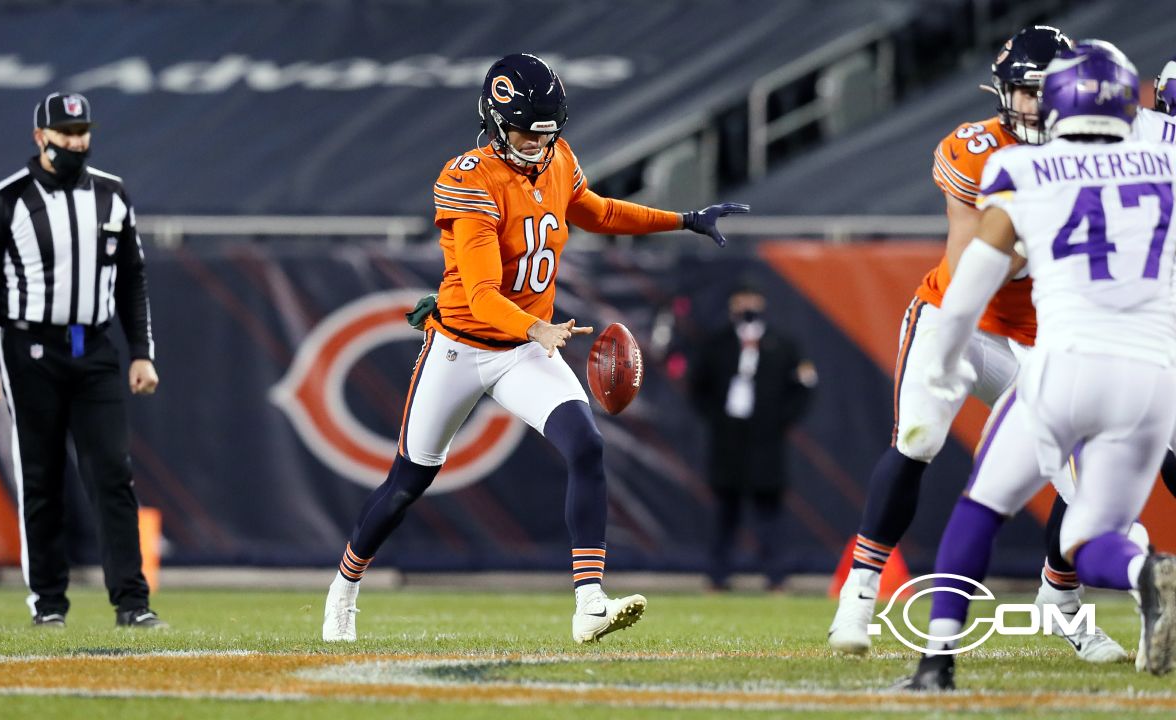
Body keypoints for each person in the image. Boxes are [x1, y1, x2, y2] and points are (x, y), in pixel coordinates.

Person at [320, 53, 749, 644]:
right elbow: (479, 292)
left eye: (549, 133)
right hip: (462, 346)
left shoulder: (557, 159)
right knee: (406, 483)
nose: (538, 144)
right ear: (496, 123)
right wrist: (535, 329)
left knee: (586, 445)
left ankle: (589, 603)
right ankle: (345, 586)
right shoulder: (469, 179)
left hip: (523, 349)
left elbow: (597, 212)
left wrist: (683, 219)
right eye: (526, 132)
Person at [828, 26, 1130, 662]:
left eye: (1045, 93)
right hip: (955, 319)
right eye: (1022, 92)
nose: (1031, 107)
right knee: (919, 439)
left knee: (1084, 485)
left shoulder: (1100, 154)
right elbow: (973, 264)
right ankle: (859, 592)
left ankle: (1062, 601)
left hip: (1039, 338)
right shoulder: (975, 150)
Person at [900, 41, 1176, 689]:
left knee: (981, 506)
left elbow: (967, 288)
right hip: (1151, 381)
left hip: (1066, 364)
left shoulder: (1025, 169)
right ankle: (1140, 573)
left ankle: (936, 663)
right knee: (1092, 532)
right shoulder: (1166, 154)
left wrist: (940, 362)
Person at [0, 92, 164, 629]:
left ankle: (132, 602)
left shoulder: (112, 194)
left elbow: (132, 278)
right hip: (29, 348)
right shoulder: (6, 200)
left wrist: (141, 352)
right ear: (41, 137)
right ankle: (48, 602)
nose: (75, 142)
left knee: (113, 474)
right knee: (42, 477)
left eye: (82, 133)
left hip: (94, 347)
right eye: (65, 133)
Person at [690, 283, 816, 591]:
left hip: (765, 439)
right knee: (725, 510)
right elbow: (697, 387)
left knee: (768, 511)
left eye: (751, 298)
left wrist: (779, 420)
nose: (747, 305)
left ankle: (775, 577)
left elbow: (803, 388)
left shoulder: (783, 345)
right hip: (728, 438)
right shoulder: (717, 344)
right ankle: (718, 576)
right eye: (740, 299)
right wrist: (717, 418)